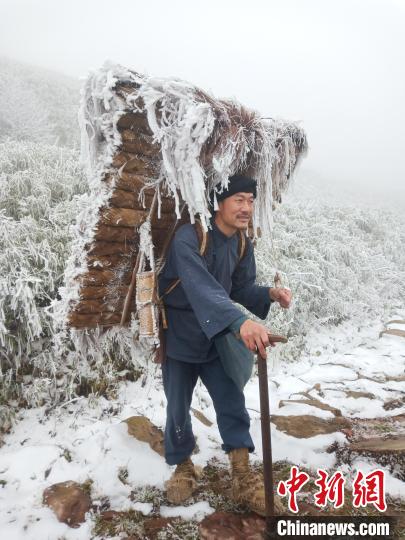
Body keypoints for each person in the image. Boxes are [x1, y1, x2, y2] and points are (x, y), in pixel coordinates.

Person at [158, 174, 292, 515]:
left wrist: (269, 295)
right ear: (219, 203)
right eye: (239, 200)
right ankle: (183, 466)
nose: (247, 208)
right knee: (177, 405)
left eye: (250, 200)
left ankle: (242, 474)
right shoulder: (190, 237)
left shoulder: (241, 243)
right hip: (182, 336)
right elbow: (201, 286)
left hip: (217, 337)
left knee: (231, 399)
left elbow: (239, 288)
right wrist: (239, 322)